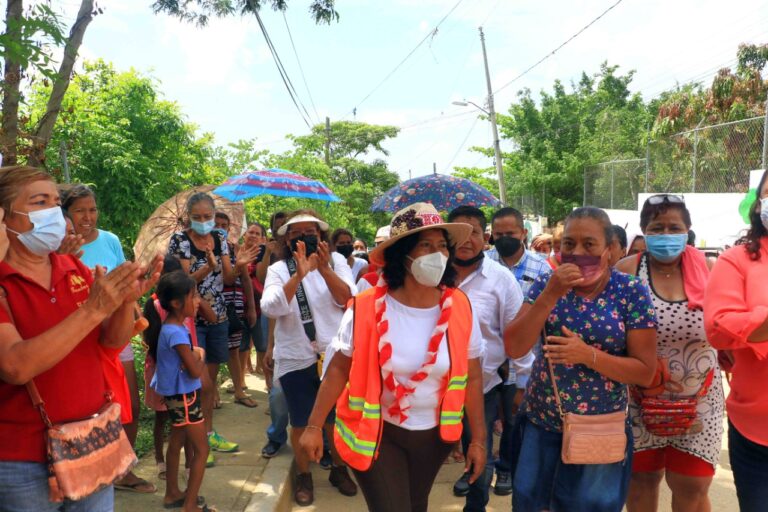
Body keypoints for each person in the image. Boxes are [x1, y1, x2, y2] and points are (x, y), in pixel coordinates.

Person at [299, 202, 486, 512]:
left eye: (442, 246)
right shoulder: (366, 306)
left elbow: (474, 375)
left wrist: (478, 440)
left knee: (415, 505)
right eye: (425, 245)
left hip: (434, 437)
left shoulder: (461, 307)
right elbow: (337, 370)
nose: (436, 254)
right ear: (403, 253)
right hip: (378, 434)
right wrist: (314, 426)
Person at [0, 165, 161, 511]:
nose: (53, 213)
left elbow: (108, 343)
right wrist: (93, 309)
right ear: (4, 217)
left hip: (91, 442)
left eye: (55, 202)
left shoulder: (71, 267)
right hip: (22, 461)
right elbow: (14, 366)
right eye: (39, 202)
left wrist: (125, 299)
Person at [505, 206, 658, 512]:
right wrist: (550, 294)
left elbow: (645, 372)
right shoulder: (547, 283)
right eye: (569, 244)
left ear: (611, 249)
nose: (577, 252)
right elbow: (514, 346)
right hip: (542, 424)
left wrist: (586, 355)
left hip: (599, 431)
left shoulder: (630, 291)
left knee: (591, 507)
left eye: (589, 244)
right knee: (531, 504)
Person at [616, 194, 723, 512]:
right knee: (642, 484)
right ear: (643, 231)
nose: (665, 235)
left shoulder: (711, 269)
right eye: (656, 227)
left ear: (688, 230)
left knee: (692, 488)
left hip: (700, 403)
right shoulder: (626, 270)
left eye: (673, 227)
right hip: (640, 400)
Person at [61, 183, 156, 495]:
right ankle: (91, 473)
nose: (88, 217)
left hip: (118, 334)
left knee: (128, 402)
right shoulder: (59, 248)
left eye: (92, 209)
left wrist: (137, 318)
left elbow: (127, 282)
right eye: (80, 211)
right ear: (66, 215)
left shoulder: (110, 240)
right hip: (79, 339)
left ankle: (123, 470)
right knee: (92, 405)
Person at [260, 209, 358, 505]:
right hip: (295, 357)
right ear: (286, 239)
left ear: (321, 236)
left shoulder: (338, 261)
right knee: (301, 423)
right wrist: (298, 276)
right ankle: (304, 475)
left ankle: (339, 469)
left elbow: (349, 299)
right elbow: (270, 308)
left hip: (334, 357)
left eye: (309, 232)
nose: (303, 238)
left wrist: (324, 269)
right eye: (295, 233)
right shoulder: (279, 269)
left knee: (335, 420)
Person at [167, 192, 258, 458]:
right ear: (188, 218)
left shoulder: (220, 238)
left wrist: (239, 265)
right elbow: (182, 283)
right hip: (190, 319)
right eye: (198, 217)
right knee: (199, 382)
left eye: (208, 216)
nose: (204, 222)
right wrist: (208, 267)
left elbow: (228, 278)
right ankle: (194, 443)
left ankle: (207, 434)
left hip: (217, 317)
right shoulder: (180, 240)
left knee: (211, 381)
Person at [447, 206, 524, 511]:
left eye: (474, 232)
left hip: (483, 386)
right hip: (431, 389)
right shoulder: (431, 275)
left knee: (479, 451)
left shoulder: (501, 279)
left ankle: (475, 506)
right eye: (460, 233)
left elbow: (517, 336)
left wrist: (520, 382)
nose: (467, 240)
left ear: (485, 237)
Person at [703, 169, 768, 512]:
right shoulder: (738, 260)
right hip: (757, 432)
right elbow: (719, 328)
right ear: (757, 205)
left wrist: (754, 321)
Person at [485, 206, 548, 495]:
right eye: (498, 234)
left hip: (524, 360)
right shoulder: (483, 264)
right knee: (480, 420)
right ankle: (478, 473)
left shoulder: (542, 268)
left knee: (513, 419)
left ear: (523, 233)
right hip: (487, 361)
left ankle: (507, 469)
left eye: (510, 233)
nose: (504, 238)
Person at [149, 270, 215, 512]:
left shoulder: (170, 328)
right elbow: (195, 371)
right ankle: (190, 505)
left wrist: (193, 352)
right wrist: (201, 353)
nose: (197, 301)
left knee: (177, 442)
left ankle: (172, 493)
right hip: (184, 397)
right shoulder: (176, 332)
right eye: (193, 296)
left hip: (177, 397)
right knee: (202, 449)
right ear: (177, 303)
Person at [213, 212, 258, 408]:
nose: (221, 228)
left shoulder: (236, 248)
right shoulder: (202, 248)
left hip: (236, 302)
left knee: (234, 348)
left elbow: (246, 279)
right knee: (212, 351)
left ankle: (239, 390)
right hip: (213, 304)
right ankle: (212, 392)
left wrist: (251, 308)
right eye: (217, 224)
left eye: (224, 224)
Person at [259, 213, 291, 460]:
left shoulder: (328, 265)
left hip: (318, 347)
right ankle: (276, 437)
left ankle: (324, 443)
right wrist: (270, 345)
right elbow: (272, 311)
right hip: (286, 345)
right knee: (279, 396)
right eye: (278, 228)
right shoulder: (277, 268)